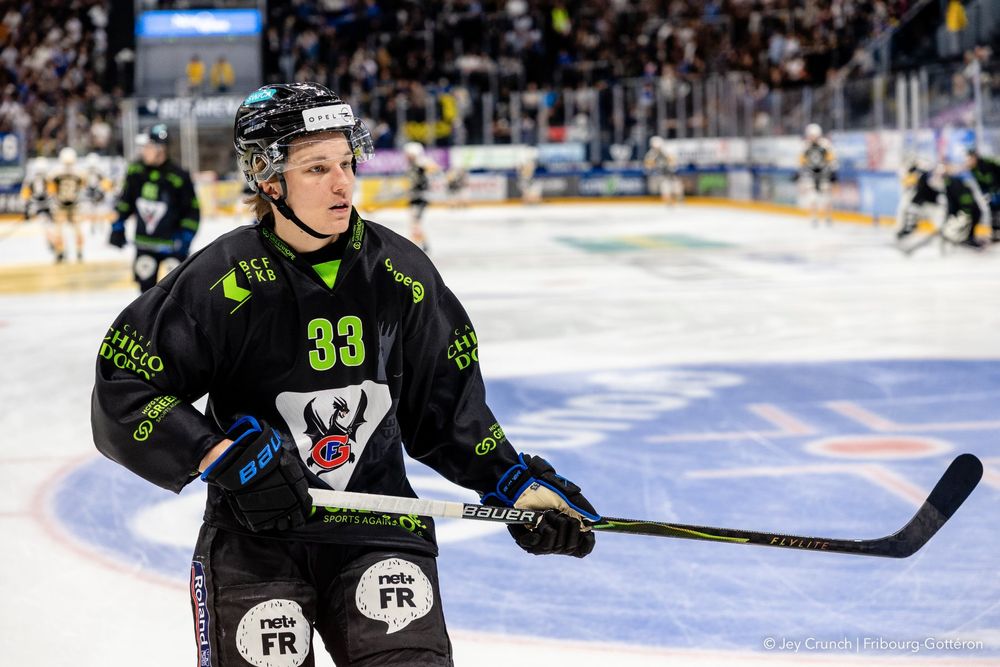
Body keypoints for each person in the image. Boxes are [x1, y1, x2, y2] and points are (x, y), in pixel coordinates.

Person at [91, 82, 597, 667]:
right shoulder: (221, 279)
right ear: (267, 178)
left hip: (378, 526)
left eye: (347, 163)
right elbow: (125, 385)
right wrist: (216, 454)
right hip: (256, 538)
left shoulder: (400, 272)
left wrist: (513, 482)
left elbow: (446, 410)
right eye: (316, 168)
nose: (342, 183)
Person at [108, 124, 200, 292]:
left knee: (176, 292)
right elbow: (125, 202)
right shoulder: (136, 171)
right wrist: (117, 226)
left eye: (148, 147)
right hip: (145, 244)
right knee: (146, 294)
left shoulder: (178, 176)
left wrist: (185, 237)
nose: (143, 151)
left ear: (160, 148)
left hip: (172, 245)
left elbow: (192, 211)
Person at [49, 147, 86, 262]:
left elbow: (51, 190)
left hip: (61, 205)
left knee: (59, 230)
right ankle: (79, 252)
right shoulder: (80, 173)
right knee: (77, 229)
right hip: (74, 205)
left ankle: (60, 252)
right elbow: (83, 187)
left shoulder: (55, 173)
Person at [895, 158, 946, 241]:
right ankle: (908, 228)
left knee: (940, 224)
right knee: (909, 209)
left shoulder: (940, 181)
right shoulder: (921, 178)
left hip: (935, 206)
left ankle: (945, 237)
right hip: (925, 204)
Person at [799, 123, 838, 226]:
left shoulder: (825, 145)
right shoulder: (806, 146)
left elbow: (832, 159)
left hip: (824, 174)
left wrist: (833, 173)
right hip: (811, 174)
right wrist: (801, 174)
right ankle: (814, 217)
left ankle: (828, 216)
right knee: (812, 197)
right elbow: (802, 161)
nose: (811, 137)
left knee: (827, 197)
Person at [403, 140, 438, 250]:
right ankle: (422, 243)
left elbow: (434, 169)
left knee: (415, 222)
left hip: (420, 197)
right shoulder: (413, 166)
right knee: (414, 222)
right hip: (415, 197)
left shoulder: (420, 164)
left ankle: (417, 245)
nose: (406, 156)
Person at [965, 148, 1000, 242]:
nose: (969, 161)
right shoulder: (973, 169)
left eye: (970, 158)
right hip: (991, 191)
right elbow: (980, 183)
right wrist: (985, 193)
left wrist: (995, 190)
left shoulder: (986, 164)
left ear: (975, 157)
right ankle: (995, 232)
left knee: (997, 207)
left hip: (997, 188)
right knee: (993, 209)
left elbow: (993, 177)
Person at [643, 136, 683, 205]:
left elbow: (672, 160)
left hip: (670, 172)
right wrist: (650, 166)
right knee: (665, 187)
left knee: (676, 186)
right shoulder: (651, 154)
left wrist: (671, 166)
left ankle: (679, 200)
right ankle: (669, 202)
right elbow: (647, 165)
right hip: (662, 174)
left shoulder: (666, 151)